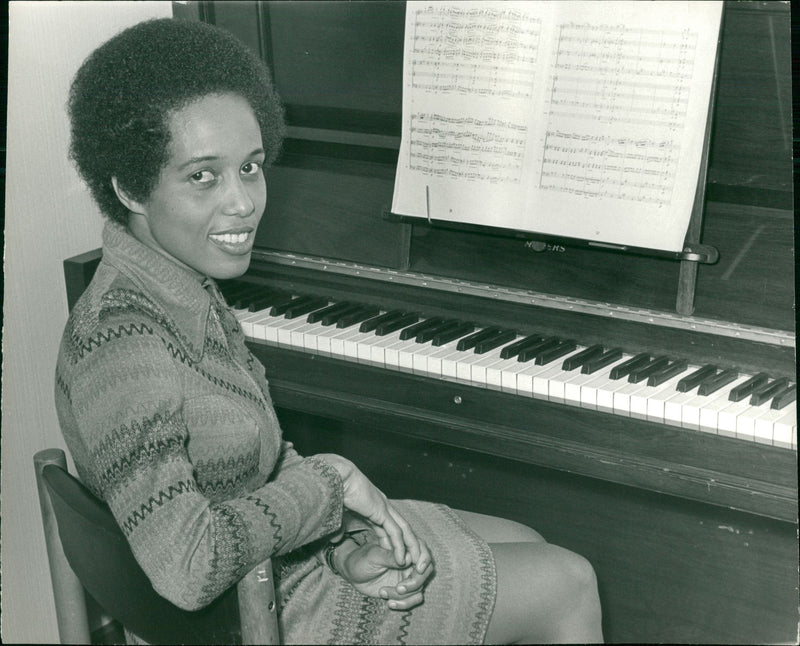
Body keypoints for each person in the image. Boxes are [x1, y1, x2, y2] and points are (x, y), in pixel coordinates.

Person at [55, 17, 602, 645]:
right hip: (253, 610)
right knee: (569, 584)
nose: (243, 203)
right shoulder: (125, 346)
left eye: (252, 167)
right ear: (129, 185)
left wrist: (341, 545)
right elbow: (186, 567)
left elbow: (249, 463)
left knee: (525, 542)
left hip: (277, 563)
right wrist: (331, 487)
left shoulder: (176, 288)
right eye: (202, 175)